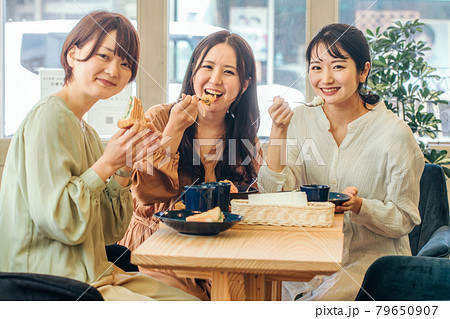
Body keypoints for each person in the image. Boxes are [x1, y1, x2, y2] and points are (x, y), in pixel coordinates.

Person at [0, 11, 198, 301]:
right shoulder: (50, 116)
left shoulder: (88, 132)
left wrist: (122, 169)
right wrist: (107, 163)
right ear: (72, 55)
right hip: (47, 280)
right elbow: (60, 223)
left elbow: (107, 232)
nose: (114, 71)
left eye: (125, 63)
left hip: (95, 272)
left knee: (191, 302)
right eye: (104, 56)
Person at [257, 23, 424, 301]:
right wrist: (278, 130)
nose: (326, 78)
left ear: (363, 71)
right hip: (306, 258)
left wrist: (360, 207)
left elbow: (405, 219)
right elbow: (274, 193)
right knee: (256, 292)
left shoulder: (394, 133)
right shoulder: (300, 120)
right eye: (316, 67)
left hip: (369, 266)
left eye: (337, 66)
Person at [118, 30, 262, 300]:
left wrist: (237, 197)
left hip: (219, 256)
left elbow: (256, 200)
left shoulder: (244, 136)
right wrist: (173, 130)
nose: (215, 79)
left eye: (229, 72)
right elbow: (146, 194)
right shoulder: (160, 118)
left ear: (244, 85)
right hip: (156, 254)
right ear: (193, 73)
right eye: (207, 67)